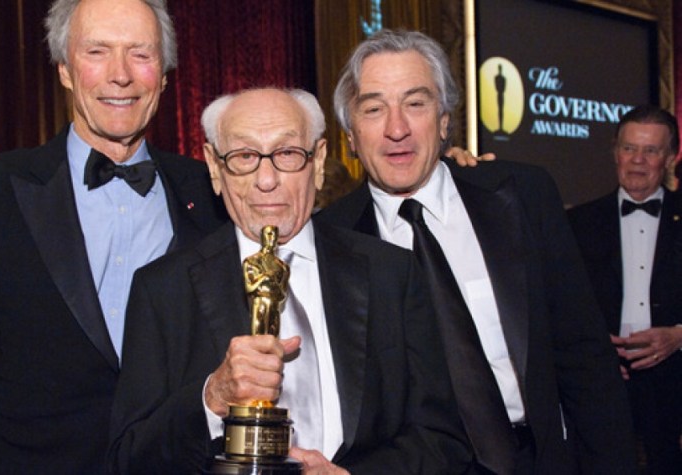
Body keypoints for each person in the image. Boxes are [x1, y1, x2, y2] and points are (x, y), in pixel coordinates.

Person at [0, 0, 227, 472]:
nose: (120, 75)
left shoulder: (211, 193)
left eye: (140, 54)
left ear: (164, 76)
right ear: (64, 69)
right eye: (97, 51)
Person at [318, 29, 636, 474]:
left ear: (444, 120)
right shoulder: (330, 243)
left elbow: (583, 356)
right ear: (350, 134)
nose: (396, 128)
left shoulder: (522, 195)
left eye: (415, 103)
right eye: (373, 109)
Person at [107, 87, 472, 474]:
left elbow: (443, 441)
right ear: (214, 168)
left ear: (318, 161)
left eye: (287, 154)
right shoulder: (164, 290)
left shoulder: (391, 274)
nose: (267, 180)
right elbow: (130, 460)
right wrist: (211, 398)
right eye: (244, 156)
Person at [568, 105, 682, 473]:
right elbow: (561, 306)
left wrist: (679, 336)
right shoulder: (577, 223)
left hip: (675, 380)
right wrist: (595, 352)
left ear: (670, 159)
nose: (637, 160)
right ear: (615, 152)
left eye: (650, 151)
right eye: (629, 148)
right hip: (603, 382)